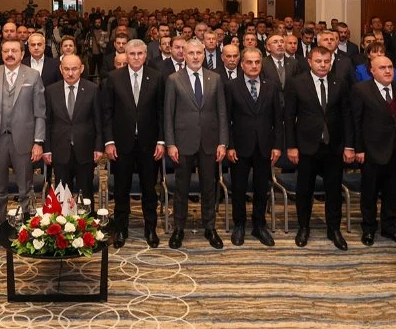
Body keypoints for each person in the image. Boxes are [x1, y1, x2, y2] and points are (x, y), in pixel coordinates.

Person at [0, 39, 45, 252]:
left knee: (25, 189)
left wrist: (38, 142)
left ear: (22, 54)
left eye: (14, 50)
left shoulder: (33, 76)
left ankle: (28, 232)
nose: (10, 54)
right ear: (1, 54)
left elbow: (40, 112)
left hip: (24, 141)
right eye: (6, 51)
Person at [285, 46, 355, 250]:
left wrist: (349, 145)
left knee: (334, 191)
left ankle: (334, 229)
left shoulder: (339, 82)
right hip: (306, 146)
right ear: (309, 61)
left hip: (333, 146)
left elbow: (347, 116)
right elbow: (289, 117)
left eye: (326, 61)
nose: (323, 65)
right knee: (304, 190)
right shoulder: (296, 83)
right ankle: (303, 227)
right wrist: (291, 146)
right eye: (318, 61)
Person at [164, 38, 227, 249]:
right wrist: (170, 143)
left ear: (204, 54)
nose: (195, 56)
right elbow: (168, 114)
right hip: (182, 143)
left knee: (209, 187)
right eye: (191, 53)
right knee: (181, 188)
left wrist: (223, 142)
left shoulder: (215, 78)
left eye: (199, 53)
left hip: (209, 142)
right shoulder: (174, 79)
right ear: (184, 55)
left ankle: (210, 227)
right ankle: (178, 228)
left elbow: (222, 112)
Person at [102, 39, 165, 249]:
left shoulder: (156, 77)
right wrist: (109, 141)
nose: (136, 57)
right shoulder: (114, 78)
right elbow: (107, 112)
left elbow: (161, 112)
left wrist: (161, 141)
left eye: (140, 54)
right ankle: (121, 229)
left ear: (145, 55)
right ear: (125, 55)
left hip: (149, 143)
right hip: (121, 144)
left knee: (149, 188)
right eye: (132, 54)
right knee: (121, 189)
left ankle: (150, 228)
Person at [353, 56, 396, 247]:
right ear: (372, 71)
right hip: (372, 151)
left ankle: (389, 227)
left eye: (390, 67)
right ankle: (369, 228)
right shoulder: (361, 90)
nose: (388, 71)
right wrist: (358, 149)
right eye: (382, 68)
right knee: (370, 192)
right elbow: (357, 122)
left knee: (393, 192)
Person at [225, 48, 282, 247]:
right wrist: (229, 145)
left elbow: (278, 119)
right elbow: (226, 119)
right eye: (249, 62)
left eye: (257, 62)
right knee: (239, 188)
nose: (254, 66)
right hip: (239, 147)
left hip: (265, 146)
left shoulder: (271, 86)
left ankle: (259, 225)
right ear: (242, 65)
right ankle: (239, 225)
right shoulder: (232, 86)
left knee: (261, 188)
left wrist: (277, 146)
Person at [43, 54, 103, 204]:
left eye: (74, 69)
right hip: (60, 150)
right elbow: (47, 122)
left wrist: (98, 147)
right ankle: (63, 220)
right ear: (61, 69)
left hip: (85, 150)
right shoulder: (51, 91)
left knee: (86, 195)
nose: (70, 73)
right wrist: (47, 149)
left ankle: (87, 219)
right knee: (62, 196)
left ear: (81, 69)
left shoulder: (92, 89)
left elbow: (98, 120)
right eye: (66, 69)